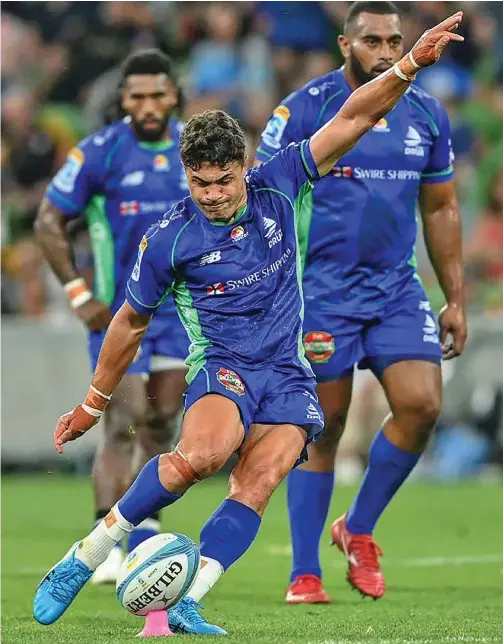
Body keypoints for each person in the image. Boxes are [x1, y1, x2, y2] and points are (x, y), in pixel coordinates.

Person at [33, 12, 464, 635]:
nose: (211, 194)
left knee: (261, 480)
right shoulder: (171, 239)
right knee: (200, 457)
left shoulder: (280, 183)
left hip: (287, 371)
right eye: (200, 183)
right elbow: (127, 324)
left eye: (222, 181)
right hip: (225, 364)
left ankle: (189, 598)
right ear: (187, 176)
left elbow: (354, 117)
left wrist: (410, 65)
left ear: (244, 167)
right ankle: (85, 557)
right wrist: (93, 402)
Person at [256, 1, 468, 604]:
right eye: (372, 40)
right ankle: (304, 572)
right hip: (321, 290)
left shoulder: (427, 113)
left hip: (396, 288)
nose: (386, 51)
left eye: (395, 40)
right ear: (345, 44)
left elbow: (442, 207)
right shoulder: (303, 110)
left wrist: (455, 298)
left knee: (422, 405)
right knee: (323, 428)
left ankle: (359, 528)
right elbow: (263, 192)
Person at [34, 49, 190, 584]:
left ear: (174, 95)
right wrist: (78, 294)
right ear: (122, 100)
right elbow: (49, 220)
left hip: (183, 315)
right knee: (123, 420)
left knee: (164, 421)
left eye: (157, 95)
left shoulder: (195, 148)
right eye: (137, 96)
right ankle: (106, 543)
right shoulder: (101, 152)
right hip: (119, 313)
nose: (148, 105)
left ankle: (145, 537)